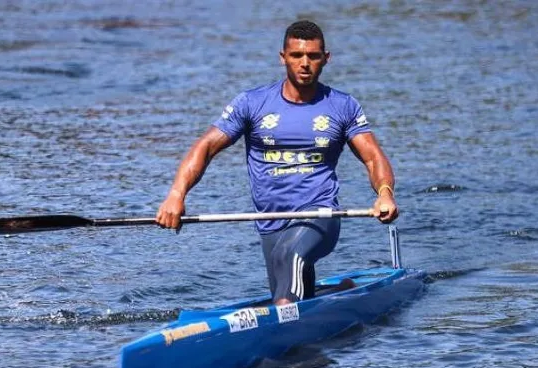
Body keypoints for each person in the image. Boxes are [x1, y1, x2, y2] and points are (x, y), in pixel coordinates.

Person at [156, 20, 398, 305]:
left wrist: (385, 194)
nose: (305, 63)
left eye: (313, 56)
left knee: (289, 261)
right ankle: (337, 294)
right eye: (296, 55)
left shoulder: (342, 106)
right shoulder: (252, 103)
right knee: (292, 292)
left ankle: (286, 318)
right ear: (283, 57)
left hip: (319, 217)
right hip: (270, 223)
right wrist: (176, 194)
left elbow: (372, 157)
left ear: (326, 59)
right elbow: (206, 147)